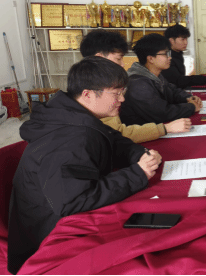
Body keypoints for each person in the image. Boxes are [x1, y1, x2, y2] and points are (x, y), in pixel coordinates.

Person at [8, 57, 162, 274]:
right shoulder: (71, 137)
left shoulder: (74, 115)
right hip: (49, 239)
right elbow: (74, 201)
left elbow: (113, 140)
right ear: (88, 94)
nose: (122, 99)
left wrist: (140, 154)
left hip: (62, 210)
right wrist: (138, 174)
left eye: (122, 92)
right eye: (116, 93)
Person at [80, 29, 191, 142]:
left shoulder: (104, 83)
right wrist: (165, 128)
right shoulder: (96, 89)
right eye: (118, 59)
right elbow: (118, 134)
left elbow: (117, 133)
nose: (123, 64)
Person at [120, 34, 202, 126]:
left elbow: (171, 90)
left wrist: (188, 97)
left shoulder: (154, 74)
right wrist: (191, 107)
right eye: (165, 54)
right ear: (151, 58)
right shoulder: (138, 83)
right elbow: (161, 113)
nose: (169, 57)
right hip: (144, 131)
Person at [162, 24, 206, 88]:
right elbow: (179, 81)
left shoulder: (177, 53)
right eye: (183, 39)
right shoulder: (166, 57)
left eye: (186, 39)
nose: (186, 43)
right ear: (171, 41)